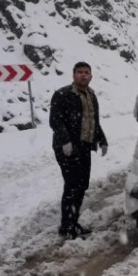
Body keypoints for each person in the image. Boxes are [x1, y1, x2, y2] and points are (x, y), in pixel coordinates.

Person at [49, 62, 108, 240]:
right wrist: (65, 141)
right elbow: (55, 121)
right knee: (72, 185)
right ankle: (67, 226)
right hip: (68, 149)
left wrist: (102, 140)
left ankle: (73, 222)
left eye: (87, 72)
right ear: (73, 75)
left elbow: (93, 121)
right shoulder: (63, 94)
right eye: (80, 72)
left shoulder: (91, 95)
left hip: (84, 147)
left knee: (82, 185)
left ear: (91, 76)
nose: (84, 75)